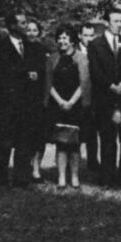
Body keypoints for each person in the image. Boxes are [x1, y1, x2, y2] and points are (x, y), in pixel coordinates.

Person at [0, 13, 46, 187]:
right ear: (11, 26)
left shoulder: (31, 47)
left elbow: (39, 70)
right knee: (5, 142)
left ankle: (22, 178)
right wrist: (2, 98)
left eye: (26, 22)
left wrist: (36, 76)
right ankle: (3, 179)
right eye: (21, 23)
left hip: (27, 104)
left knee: (24, 142)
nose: (25, 26)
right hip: (9, 104)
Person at [88, 7, 121, 188]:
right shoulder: (96, 45)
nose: (120, 24)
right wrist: (111, 86)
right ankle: (107, 178)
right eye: (116, 21)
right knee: (108, 140)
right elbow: (95, 71)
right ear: (106, 23)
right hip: (106, 98)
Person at [45, 26, 90, 189]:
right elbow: (48, 84)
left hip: (76, 105)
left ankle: (75, 177)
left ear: (72, 40)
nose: (62, 41)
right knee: (61, 143)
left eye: (65, 38)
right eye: (60, 38)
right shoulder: (52, 58)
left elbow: (84, 83)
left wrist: (71, 102)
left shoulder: (81, 58)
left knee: (75, 144)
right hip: (57, 105)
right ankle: (62, 177)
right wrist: (60, 101)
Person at [26, 20, 51, 182]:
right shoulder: (21, 49)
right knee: (25, 135)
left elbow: (48, 75)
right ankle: (25, 166)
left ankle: (36, 169)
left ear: (39, 33)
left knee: (39, 137)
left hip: (40, 99)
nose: (31, 33)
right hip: (25, 99)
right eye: (28, 30)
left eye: (35, 30)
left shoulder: (43, 51)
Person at [78, 23, 100, 172]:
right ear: (80, 36)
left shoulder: (97, 52)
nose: (89, 39)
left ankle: (92, 162)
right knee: (76, 130)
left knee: (93, 131)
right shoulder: (74, 52)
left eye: (92, 35)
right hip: (77, 98)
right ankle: (74, 161)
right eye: (86, 35)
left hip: (94, 98)